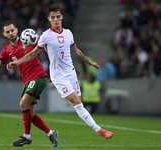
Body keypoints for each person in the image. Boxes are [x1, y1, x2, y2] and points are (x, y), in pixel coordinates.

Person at [7, 4, 113, 140]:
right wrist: (17, 62)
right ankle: (99, 130)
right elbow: (32, 54)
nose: (56, 19)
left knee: (79, 104)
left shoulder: (68, 33)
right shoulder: (46, 36)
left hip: (71, 73)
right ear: (49, 19)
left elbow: (76, 51)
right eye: (53, 17)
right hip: (58, 76)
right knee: (76, 101)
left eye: (58, 16)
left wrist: (89, 62)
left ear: (62, 16)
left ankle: (96, 129)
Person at [0, 20, 58, 147]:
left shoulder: (28, 39)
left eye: (12, 30)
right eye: (7, 32)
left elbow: (46, 46)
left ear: (17, 30)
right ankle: (51, 133)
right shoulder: (6, 50)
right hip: (27, 81)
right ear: (4, 34)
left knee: (23, 103)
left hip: (38, 76)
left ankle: (27, 136)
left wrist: (54, 69)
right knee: (30, 115)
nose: (11, 33)